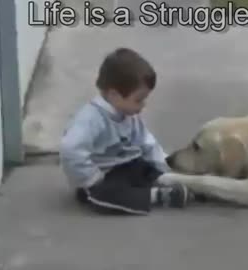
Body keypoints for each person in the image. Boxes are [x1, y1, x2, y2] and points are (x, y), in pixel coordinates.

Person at [59, 47, 191, 215]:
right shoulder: (91, 119)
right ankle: (156, 196)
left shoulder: (129, 114)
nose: (143, 105)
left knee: (146, 168)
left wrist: (162, 165)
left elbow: (146, 141)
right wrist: (90, 177)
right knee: (106, 195)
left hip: (128, 165)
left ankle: (167, 183)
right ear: (114, 95)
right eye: (138, 100)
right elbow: (70, 149)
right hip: (104, 175)